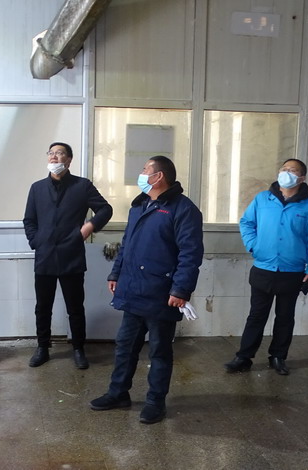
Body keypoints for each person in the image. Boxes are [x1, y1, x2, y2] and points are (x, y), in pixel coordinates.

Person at [89, 156, 203, 424]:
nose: (141, 174)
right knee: (125, 346)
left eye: (145, 170)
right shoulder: (139, 205)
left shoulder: (183, 209)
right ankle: (118, 393)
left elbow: (190, 253)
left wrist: (181, 289)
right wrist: (116, 273)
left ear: (158, 176)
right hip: (133, 289)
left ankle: (155, 402)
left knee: (159, 351)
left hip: (162, 293)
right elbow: (127, 244)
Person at [224, 159, 308, 376]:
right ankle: (244, 357)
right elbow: (246, 223)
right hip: (263, 268)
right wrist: (253, 245)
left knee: (285, 316)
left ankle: (278, 357)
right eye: (284, 169)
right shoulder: (263, 199)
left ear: (301, 178)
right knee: (256, 315)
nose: (286, 173)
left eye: (292, 170)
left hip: (293, 271)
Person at [23, 142, 113, 369]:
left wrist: (88, 228)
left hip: (71, 254)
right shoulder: (37, 188)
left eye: (60, 153)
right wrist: (36, 241)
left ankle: (78, 349)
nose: (54, 157)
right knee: (43, 306)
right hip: (45, 255)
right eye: (51, 153)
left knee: (75, 307)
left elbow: (105, 209)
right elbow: (29, 220)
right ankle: (42, 347)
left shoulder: (82, 186)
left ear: (69, 159)